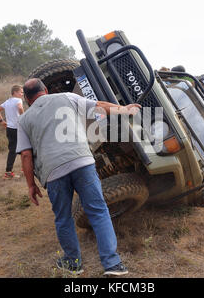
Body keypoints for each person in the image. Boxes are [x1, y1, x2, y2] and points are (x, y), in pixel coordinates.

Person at [16, 78, 141, 276]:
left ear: (27, 99)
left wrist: (31, 185)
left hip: (53, 172)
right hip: (81, 161)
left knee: (63, 218)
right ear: (46, 90)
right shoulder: (67, 97)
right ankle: (112, 265)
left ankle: (73, 263)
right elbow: (99, 107)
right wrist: (125, 109)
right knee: (98, 211)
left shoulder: (23, 120)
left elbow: (25, 155)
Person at [0, 85, 24, 179]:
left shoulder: (7, 102)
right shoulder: (18, 100)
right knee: (22, 148)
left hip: (9, 129)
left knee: (15, 149)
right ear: (15, 92)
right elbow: (20, 108)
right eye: (21, 92)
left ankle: (14, 170)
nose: (22, 94)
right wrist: (23, 117)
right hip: (17, 128)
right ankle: (9, 172)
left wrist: (1, 121)